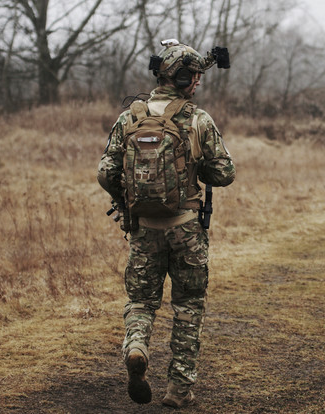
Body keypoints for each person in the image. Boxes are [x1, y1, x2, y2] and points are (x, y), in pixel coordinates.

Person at [97, 40, 235, 408]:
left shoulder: (131, 117)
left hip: (143, 229)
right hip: (187, 229)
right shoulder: (197, 119)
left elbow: (105, 170)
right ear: (185, 78)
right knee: (188, 307)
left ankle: (138, 346)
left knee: (141, 301)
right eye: (196, 77)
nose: (199, 84)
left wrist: (125, 202)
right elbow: (224, 173)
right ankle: (178, 391)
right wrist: (197, 166)